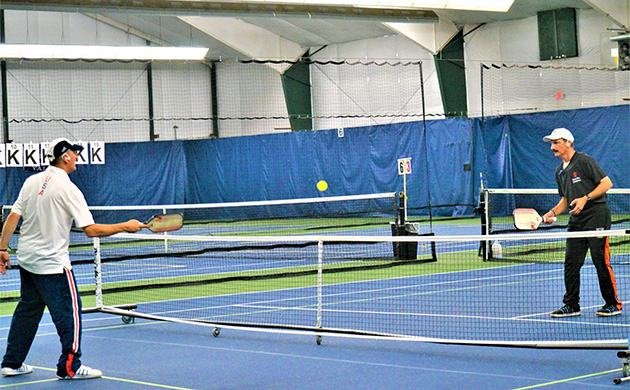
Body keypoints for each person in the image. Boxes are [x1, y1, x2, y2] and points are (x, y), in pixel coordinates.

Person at [0, 138, 146, 379]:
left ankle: (12, 362)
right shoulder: (69, 188)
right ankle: (71, 366)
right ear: (65, 156)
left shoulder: (30, 182)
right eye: (74, 153)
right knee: (71, 313)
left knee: (28, 311)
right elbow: (91, 230)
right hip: (54, 266)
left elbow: (13, 217)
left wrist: (2, 248)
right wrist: (126, 226)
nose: (77, 157)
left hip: (27, 262)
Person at [541, 128, 622, 318]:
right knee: (571, 262)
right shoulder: (559, 171)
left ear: (568, 142)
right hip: (576, 220)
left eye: (556, 142)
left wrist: (586, 198)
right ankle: (571, 305)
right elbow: (565, 200)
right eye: (551, 143)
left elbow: (606, 184)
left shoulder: (585, 161)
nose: (553, 147)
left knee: (600, 260)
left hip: (597, 215)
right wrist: (551, 213)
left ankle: (612, 303)